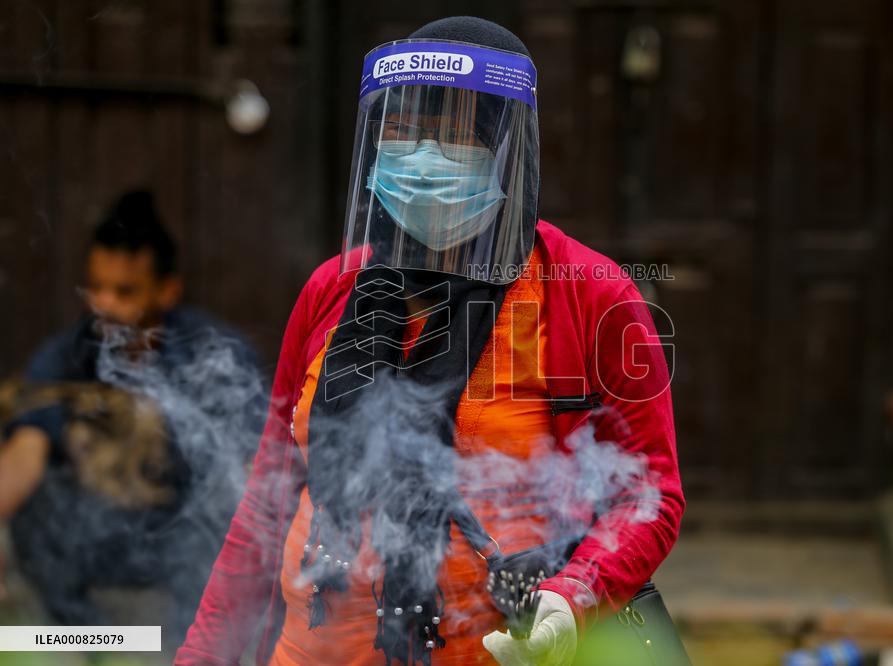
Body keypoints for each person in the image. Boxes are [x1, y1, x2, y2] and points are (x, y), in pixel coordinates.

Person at [176, 17, 684, 666]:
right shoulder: (333, 288)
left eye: (453, 135)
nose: (421, 157)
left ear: (506, 149)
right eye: (401, 130)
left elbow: (649, 494)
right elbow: (268, 501)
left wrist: (572, 597)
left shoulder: (589, 295)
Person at [0, 190, 262, 641]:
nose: (105, 305)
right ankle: (91, 644)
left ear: (168, 291)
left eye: (125, 292)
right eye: (96, 288)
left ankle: (185, 648)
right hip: (95, 537)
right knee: (32, 517)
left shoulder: (213, 354)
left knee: (221, 512)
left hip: (179, 537)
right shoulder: (64, 356)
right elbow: (25, 453)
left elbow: (252, 466)